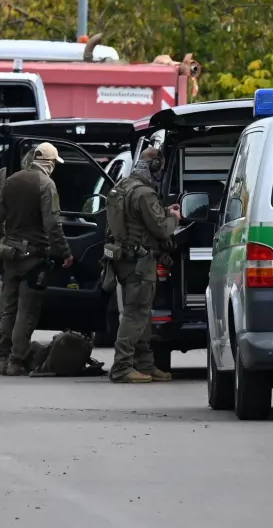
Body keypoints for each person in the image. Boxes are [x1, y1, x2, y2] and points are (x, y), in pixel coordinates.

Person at [0, 142, 72, 376]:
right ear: (49, 162)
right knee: (27, 311)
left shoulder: (11, 181)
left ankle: (2, 360)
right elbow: (52, 224)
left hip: (9, 256)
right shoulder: (47, 185)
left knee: (8, 309)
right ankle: (17, 360)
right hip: (34, 258)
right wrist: (64, 253)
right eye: (55, 163)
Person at [104, 146, 180, 383]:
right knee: (136, 313)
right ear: (154, 166)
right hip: (140, 262)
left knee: (141, 314)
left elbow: (137, 220)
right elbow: (160, 228)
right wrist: (173, 218)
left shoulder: (123, 187)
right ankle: (122, 367)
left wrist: (161, 213)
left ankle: (145, 364)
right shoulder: (145, 193)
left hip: (124, 259)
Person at [0, 149, 33, 347]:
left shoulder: (6, 178)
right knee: (24, 304)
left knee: (7, 296)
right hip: (28, 249)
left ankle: (1, 344)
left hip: (8, 243)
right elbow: (51, 222)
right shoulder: (42, 184)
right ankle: (16, 353)